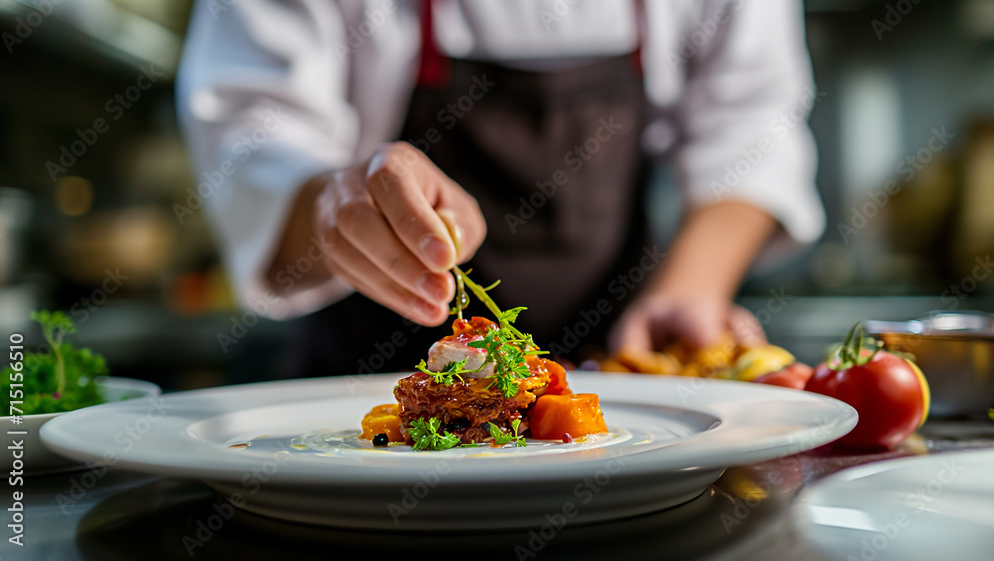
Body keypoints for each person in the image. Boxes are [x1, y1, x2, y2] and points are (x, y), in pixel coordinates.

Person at [177, 0, 825, 377]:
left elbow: (754, 122)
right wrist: (331, 202)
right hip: (363, 397)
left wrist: (692, 286)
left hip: (622, 388)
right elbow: (249, 127)